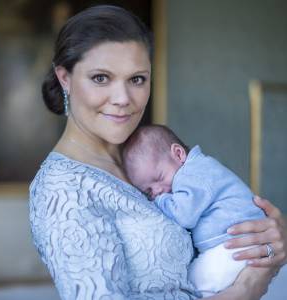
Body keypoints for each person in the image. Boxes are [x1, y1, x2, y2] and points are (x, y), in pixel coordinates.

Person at [29, 5, 287, 300]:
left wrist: (273, 239)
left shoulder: (146, 157)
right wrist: (245, 290)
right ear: (65, 78)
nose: (123, 99)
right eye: (101, 78)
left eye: (137, 79)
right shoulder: (62, 191)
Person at [122, 124, 269, 296]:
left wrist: (160, 201)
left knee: (195, 282)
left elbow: (184, 216)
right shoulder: (197, 169)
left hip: (237, 244)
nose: (157, 191)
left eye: (159, 178)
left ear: (178, 154)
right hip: (239, 242)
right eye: (149, 191)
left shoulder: (192, 174)